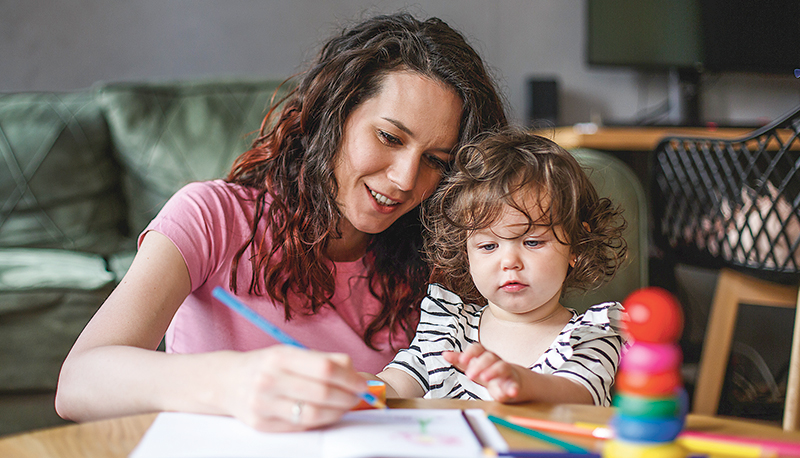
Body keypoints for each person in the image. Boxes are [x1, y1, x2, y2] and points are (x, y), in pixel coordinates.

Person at [55, 12, 507, 432]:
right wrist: (234, 381)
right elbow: (79, 382)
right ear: (333, 113)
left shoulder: (435, 256)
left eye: (434, 160)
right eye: (389, 137)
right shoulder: (212, 216)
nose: (406, 179)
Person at [375, 128, 627, 406]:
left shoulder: (590, 335)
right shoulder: (448, 329)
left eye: (532, 242)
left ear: (576, 245)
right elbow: (396, 384)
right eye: (488, 246)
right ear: (466, 253)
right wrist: (357, 387)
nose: (509, 262)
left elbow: (577, 396)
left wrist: (521, 383)